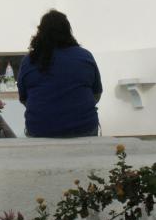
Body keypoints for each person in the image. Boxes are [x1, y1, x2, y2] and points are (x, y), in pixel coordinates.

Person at [17, 10, 102, 138]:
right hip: (84, 128)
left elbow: (24, 98)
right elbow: (96, 94)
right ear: (68, 31)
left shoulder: (29, 60)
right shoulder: (85, 56)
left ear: (40, 32)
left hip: (40, 129)